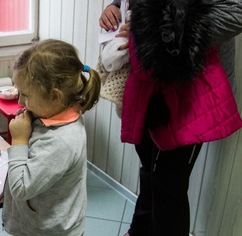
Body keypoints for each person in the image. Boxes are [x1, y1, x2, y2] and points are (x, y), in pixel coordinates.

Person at [100, 0, 242, 235]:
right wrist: (115, 6)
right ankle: (140, 230)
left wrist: (157, 32)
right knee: (150, 168)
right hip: (147, 81)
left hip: (192, 85)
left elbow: (236, 11)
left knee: (169, 183)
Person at [2, 39, 101, 235]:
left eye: (25, 94)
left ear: (55, 97)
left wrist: (20, 140)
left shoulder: (61, 141)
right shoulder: (56, 112)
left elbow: (21, 188)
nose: (20, 101)